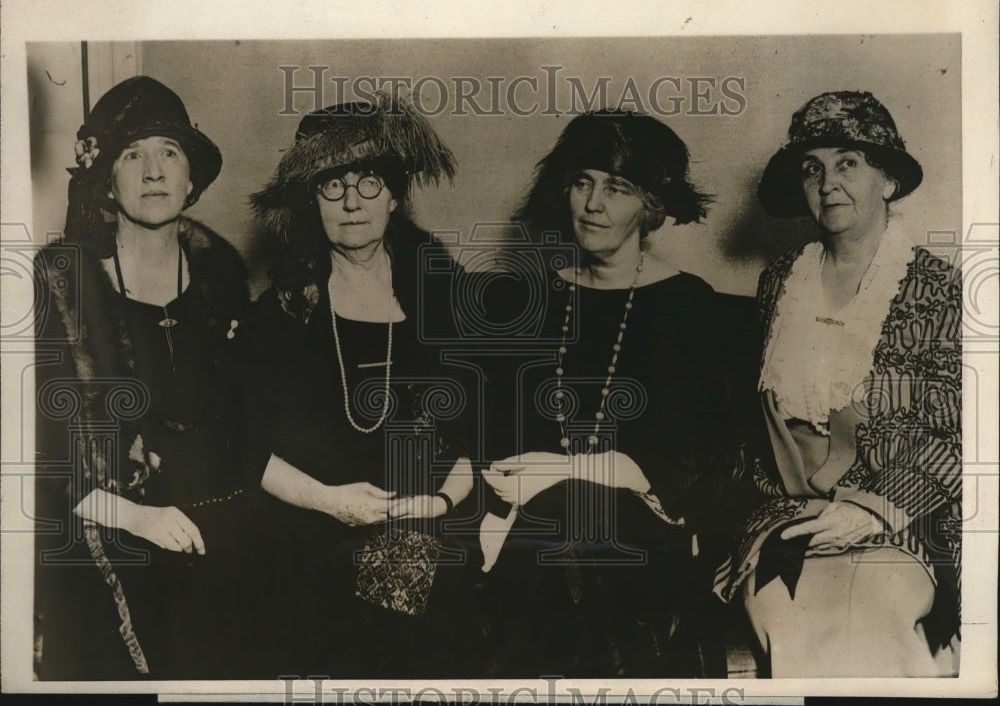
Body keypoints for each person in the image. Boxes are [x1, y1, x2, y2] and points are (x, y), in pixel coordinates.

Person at [714, 91, 962, 677]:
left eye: (848, 162)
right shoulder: (780, 282)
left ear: (888, 181)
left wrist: (876, 511)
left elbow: (962, 432)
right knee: (787, 611)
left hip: (903, 518)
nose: (828, 183)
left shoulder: (939, 286)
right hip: (786, 513)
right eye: (813, 169)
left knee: (874, 614)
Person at [479, 109, 729, 678]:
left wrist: (585, 473)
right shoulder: (524, 304)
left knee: (582, 529)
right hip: (531, 525)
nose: (592, 204)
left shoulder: (692, 308)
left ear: (653, 205)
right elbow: (497, 438)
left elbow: (702, 460)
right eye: (582, 182)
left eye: (617, 187)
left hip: (641, 533)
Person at [34, 76, 265, 679]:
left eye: (170, 152)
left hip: (223, 531)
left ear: (192, 180)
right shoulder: (67, 289)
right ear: (107, 180)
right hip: (113, 536)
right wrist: (137, 518)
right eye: (131, 155)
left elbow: (247, 428)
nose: (154, 171)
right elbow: (50, 455)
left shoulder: (222, 281)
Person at [248, 92, 477, 678]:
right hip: (314, 528)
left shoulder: (445, 298)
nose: (352, 202)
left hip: (432, 522)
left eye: (369, 181)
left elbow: (482, 428)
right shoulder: (276, 317)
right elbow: (243, 447)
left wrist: (443, 501)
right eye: (332, 185)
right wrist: (331, 501)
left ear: (395, 195)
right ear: (311, 200)